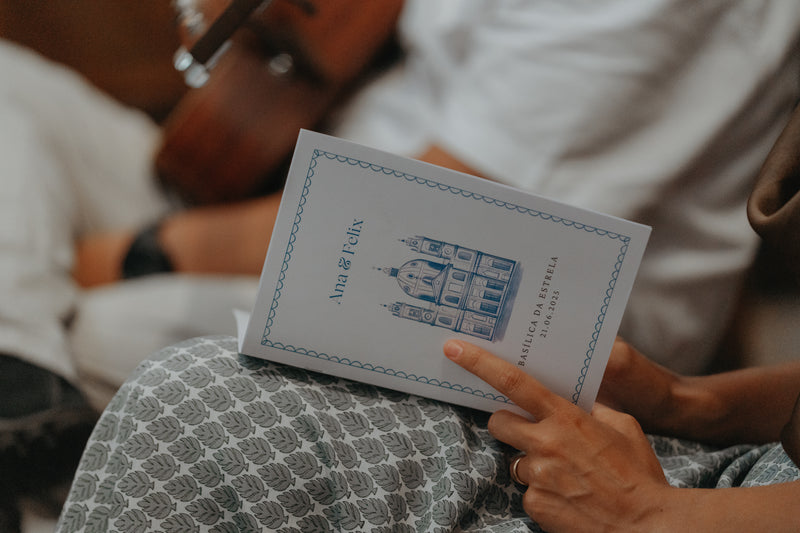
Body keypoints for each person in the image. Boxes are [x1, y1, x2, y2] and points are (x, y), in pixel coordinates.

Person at [3, 0, 800, 524]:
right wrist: (691, 401)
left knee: (128, 348)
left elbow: (422, 207)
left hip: (408, 278)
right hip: (266, 165)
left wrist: (114, 255)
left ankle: (31, 364)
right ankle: (24, 368)